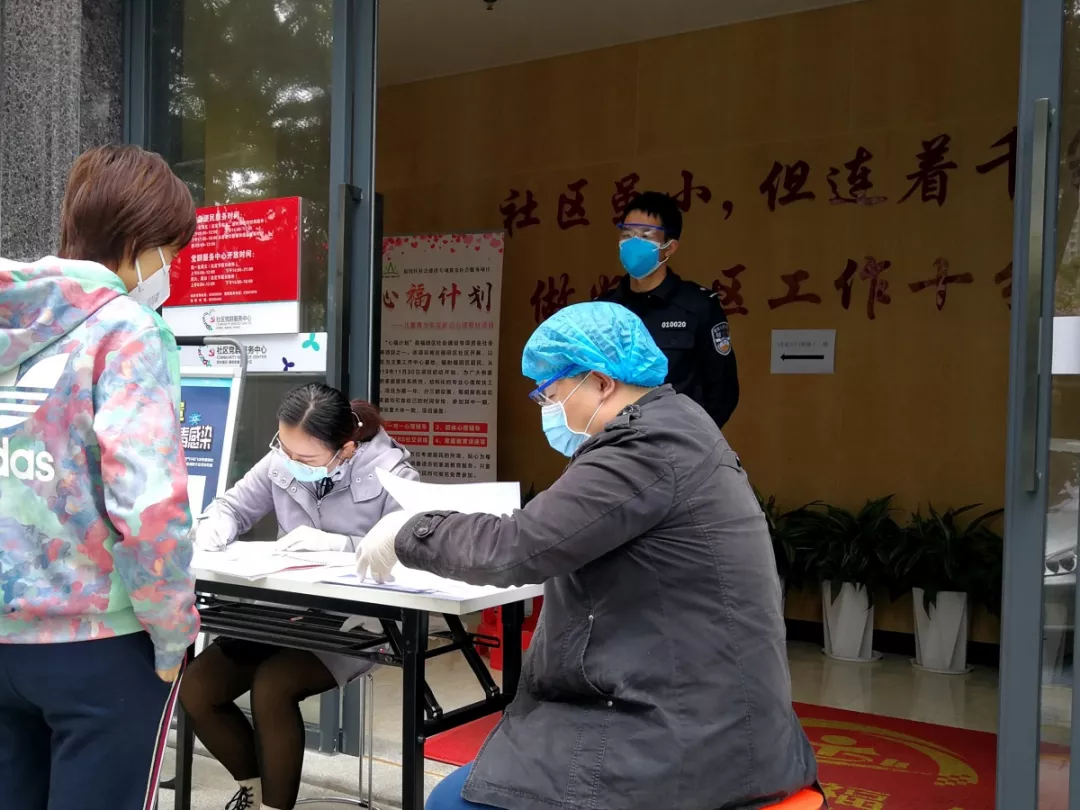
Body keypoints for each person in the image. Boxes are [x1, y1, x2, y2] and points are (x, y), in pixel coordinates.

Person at [357, 301, 820, 810]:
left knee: (451, 802)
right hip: (711, 712)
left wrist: (410, 531)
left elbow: (517, 548)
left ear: (600, 383)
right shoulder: (678, 425)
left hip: (682, 732)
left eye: (551, 395)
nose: (547, 409)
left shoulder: (643, 449)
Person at [0, 145, 200, 810]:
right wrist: (173, 633)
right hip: (100, 645)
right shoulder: (127, 329)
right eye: (171, 250)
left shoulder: (11, 319)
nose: (171, 269)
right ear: (141, 242)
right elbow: (147, 503)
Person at [178, 383, 418, 810]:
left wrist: (340, 546)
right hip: (282, 610)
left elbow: (408, 550)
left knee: (273, 685)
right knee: (197, 688)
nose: (290, 463)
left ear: (345, 449)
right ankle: (253, 790)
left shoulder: (392, 474)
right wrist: (216, 524)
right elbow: (233, 506)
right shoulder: (283, 459)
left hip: (355, 621)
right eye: (284, 449)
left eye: (305, 459)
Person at [598, 190, 740, 429]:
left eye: (646, 235)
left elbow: (722, 391)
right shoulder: (604, 308)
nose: (634, 243)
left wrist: (691, 440)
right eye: (627, 234)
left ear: (670, 247)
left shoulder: (697, 307)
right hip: (615, 441)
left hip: (677, 440)